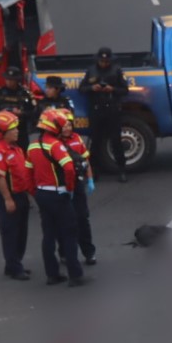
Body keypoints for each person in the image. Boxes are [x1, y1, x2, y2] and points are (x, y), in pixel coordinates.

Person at [27, 110, 88, 287]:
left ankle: (52, 275)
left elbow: (27, 172)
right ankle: (75, 275)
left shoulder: (32, 146)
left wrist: (34, 192)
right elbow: (69, 168)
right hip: (58, 194)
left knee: (48, 235)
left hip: (42, 194)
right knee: (69, 233)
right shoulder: (55, 145)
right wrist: (69, 188)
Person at [0, 111, 34, 280]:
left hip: (21, 195)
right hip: (10, 196)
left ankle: (14, 264)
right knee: (10, 233)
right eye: (13, 129)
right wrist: (8, 199)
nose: (17, 131)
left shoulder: (16, 148)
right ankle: (14, 267)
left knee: (22, 232)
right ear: (3, 133)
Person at [79, 47, 130, 182]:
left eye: (106, 61)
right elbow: (81, 88)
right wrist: (92, 88)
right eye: (102, 61)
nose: (104, 63)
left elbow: (125, 90)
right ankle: (94, 171)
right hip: (96, 110)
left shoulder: (117, 70)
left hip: (112, 109)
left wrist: (112, 89)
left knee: (116, 141)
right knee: (95, 141)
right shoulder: (91, 70)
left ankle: (122, 170)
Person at [58, 108, 97, 266]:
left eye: (69, 124)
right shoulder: (54, 143)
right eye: (64, 125)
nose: (67, 128)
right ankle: (64, 253)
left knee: (82, 219)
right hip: (62, 186)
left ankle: (89, 253)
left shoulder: (77, 139)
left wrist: (90, 179)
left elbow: (85, 161)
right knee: (64, 222)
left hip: (77, 184)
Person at [0, 66, 36, 142]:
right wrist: (1, 113)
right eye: (7, 79)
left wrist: (21, 113)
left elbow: (33, 112)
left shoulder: (25, 93)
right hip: (2, 130)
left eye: (11, 80)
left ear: (17, 80)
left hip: (20, 129)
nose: (9, 82)